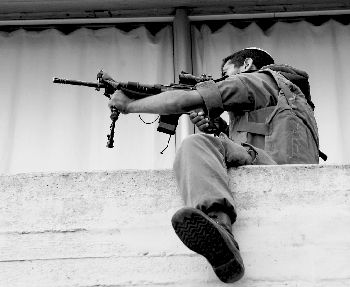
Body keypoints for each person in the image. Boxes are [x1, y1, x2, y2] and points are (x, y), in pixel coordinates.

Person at [106, 47, 320, 283]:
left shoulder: (260, 81)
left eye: (226, 73)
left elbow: (185, 99)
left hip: (273, 172)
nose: (225, 79)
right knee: (208, 141)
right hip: (283, 173)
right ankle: (225, 254)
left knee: (195, 145)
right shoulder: (290, 94)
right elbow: (268, 140)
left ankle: (220, 225)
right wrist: (219, 129)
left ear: (247, 64)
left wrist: (129, 105)